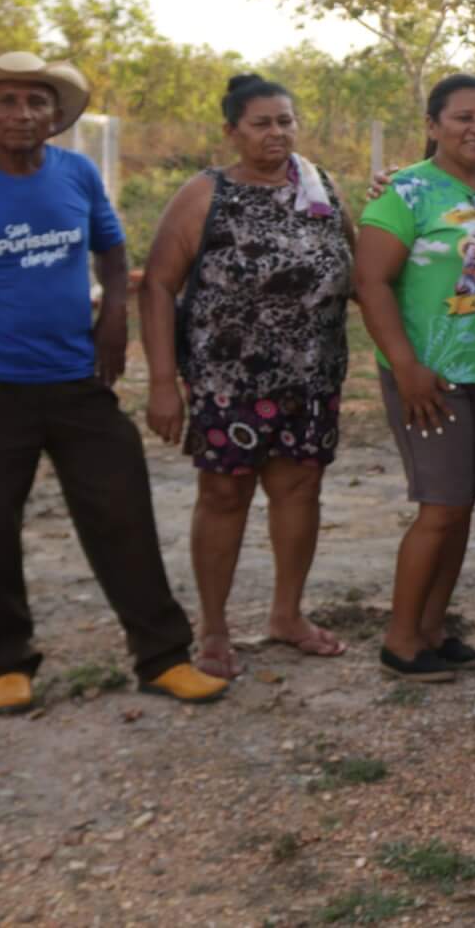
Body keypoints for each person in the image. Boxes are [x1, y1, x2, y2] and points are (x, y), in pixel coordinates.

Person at [0, 51, 226, 714]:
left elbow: (110, 247)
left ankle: (163, 657)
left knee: (122, 512)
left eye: (37, 101)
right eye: (6, 100)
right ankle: (6, 664)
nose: (22, 113)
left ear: (57, 115)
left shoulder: (76, 173)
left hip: (77, 380)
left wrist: (113, 315)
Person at [139, 74, 356, 679]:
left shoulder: (320, 186)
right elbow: (157, 285)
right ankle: (213, 628)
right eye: (261, 123)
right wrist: (162, 382)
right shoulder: (205, 193)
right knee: (224, 496)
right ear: (232, 131)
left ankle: (287, 615)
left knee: (299, 491)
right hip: (227, 383)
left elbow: (359, 267)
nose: (276, 133)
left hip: (311, 378)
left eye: (285, 121)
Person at [356, 74, 475, 682]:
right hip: (430, 379)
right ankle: (400, 641)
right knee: (440, 509)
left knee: (460, 507)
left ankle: (433, 628)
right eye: (463, 117)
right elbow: (370, 281)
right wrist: (406, 365)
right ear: (433, 126)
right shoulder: (405, 192)